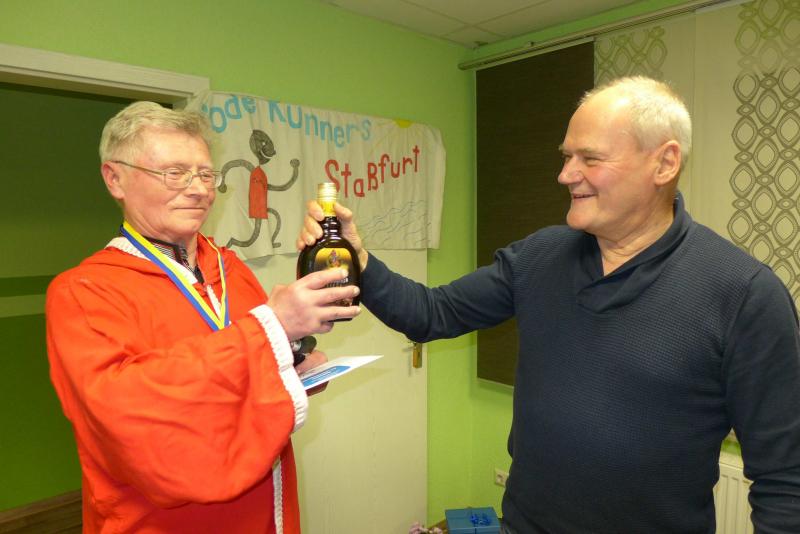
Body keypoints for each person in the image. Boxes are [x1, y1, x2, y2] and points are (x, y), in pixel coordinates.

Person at [298, 77, 800, 533]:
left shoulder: (744, 295)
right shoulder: (541, 256)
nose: (565, 174)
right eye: (566, 156)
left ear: (664, 163)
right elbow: (431, 313)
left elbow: (786, 480)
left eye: (590, 159)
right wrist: (359, 258)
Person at [46, 102, 360, 534]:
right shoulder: (83, 292)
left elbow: (246, 370)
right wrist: (270, 328)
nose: (198, 190)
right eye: (174, 173)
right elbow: (128, 413)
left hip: (267, 510)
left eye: (206, 174)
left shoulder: (230, 267)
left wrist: (293, 366)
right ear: (114, 178)